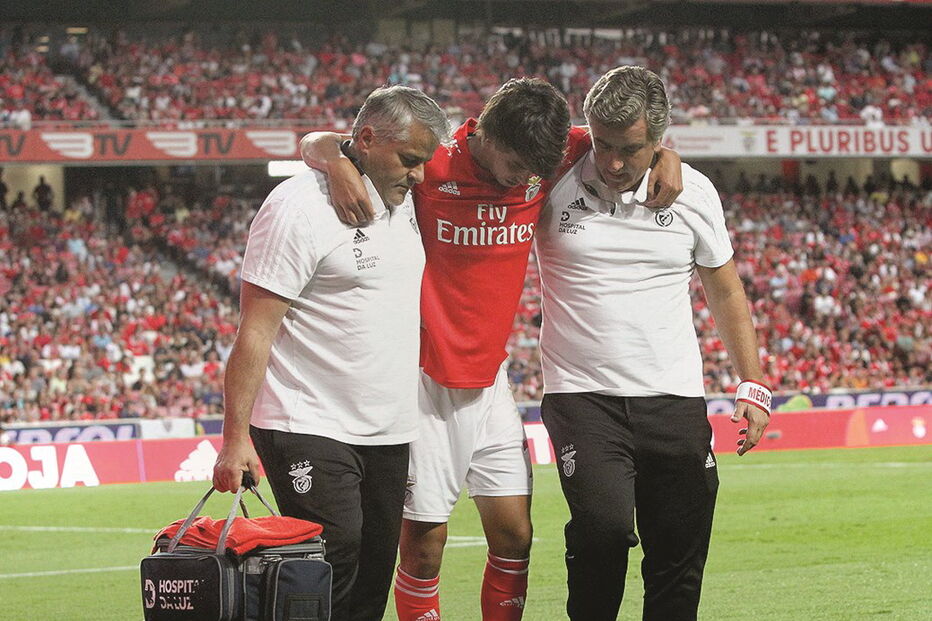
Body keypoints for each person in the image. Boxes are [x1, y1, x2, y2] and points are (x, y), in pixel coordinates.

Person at [300, 77, 684, 621]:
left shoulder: (552, 151)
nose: (526, 180)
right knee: (424, 546)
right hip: (424, 380)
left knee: (515, 536)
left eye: (536, 172)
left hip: (490, 381)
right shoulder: (434, 162)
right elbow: (322, 140)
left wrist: (668, 155)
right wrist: (335, 160)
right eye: (516, 166)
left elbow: (625, 139)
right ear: (486, 133)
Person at [535, 65, 773, 621]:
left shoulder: (696, 193)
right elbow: (474, 147)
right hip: (582, 397)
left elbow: (725, 289)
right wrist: (333, 147)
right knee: (602, 530)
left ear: (660, 140)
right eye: (603, 144)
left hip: (674, 399)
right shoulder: (550, 179)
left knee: (678, 557)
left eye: (631, 149)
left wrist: (753, 382)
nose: (614, 163)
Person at [211, 85, 450, 621]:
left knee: (372, 574)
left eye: (424, 162)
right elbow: (255, 331)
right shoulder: (298, 207)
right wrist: (234, 439)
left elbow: (322, 142)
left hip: (389, 428)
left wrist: (329, 152)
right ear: (366, 140)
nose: (419, 175)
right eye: (409, 160)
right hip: (307, 420)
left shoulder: (403, 199)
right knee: (334, 554)